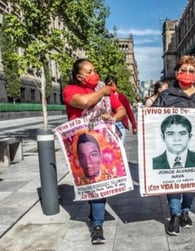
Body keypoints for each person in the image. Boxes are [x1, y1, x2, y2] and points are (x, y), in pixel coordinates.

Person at [152, 55, 195, 236]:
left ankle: (185, 211)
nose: (187, 73)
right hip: (171, 149)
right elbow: (154, 121)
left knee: (191, 182)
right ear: (176, 72)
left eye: (191, 71)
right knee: (174, 182)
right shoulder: (166, 96)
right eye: (183, 70)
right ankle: (174, 215)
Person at [63, 58, 126, 244]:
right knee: (91, 183)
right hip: (82, 144)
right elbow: (84, 102)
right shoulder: (70, 90)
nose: (94, 74)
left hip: (104, 143)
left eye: (94, 70)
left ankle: (97, 225)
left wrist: (113, 116)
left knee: (99, 184)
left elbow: (121, 108)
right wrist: (104, 91)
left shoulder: (102, 89)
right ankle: (96, 215)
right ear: (79, 76)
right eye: (89, 72)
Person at [104, 75, 137, 143]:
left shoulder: (122, 97)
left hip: (120, 124)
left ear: (116, 84)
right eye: (108, 85)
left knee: (120, 147)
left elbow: (129, 111)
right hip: (108, 124)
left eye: (112, 84)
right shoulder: (103, 96)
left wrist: (134, 126)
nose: (110, 87)